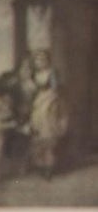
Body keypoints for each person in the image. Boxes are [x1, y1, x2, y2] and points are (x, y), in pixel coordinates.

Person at [25, 49, 66, 178]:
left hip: (50, 100)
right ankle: (41, 166)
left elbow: (55, 89)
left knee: (48, 131)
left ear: (48, 60)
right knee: (37, 129)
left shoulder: (52, 73)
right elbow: (33, 91)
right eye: (38, 60)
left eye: (43, 59)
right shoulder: (35, 75)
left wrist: (50, 100)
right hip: (38, 101)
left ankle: (49, 168)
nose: (40, 62)